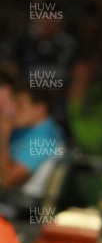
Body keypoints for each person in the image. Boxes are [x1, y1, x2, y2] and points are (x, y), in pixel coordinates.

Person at [0, 79, 66, 219]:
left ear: (40, 108)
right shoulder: (23, 131)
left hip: (24, 208)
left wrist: (3, 135)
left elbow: (7, 180)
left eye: (20, 105)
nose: (13, 111)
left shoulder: (45, 138)